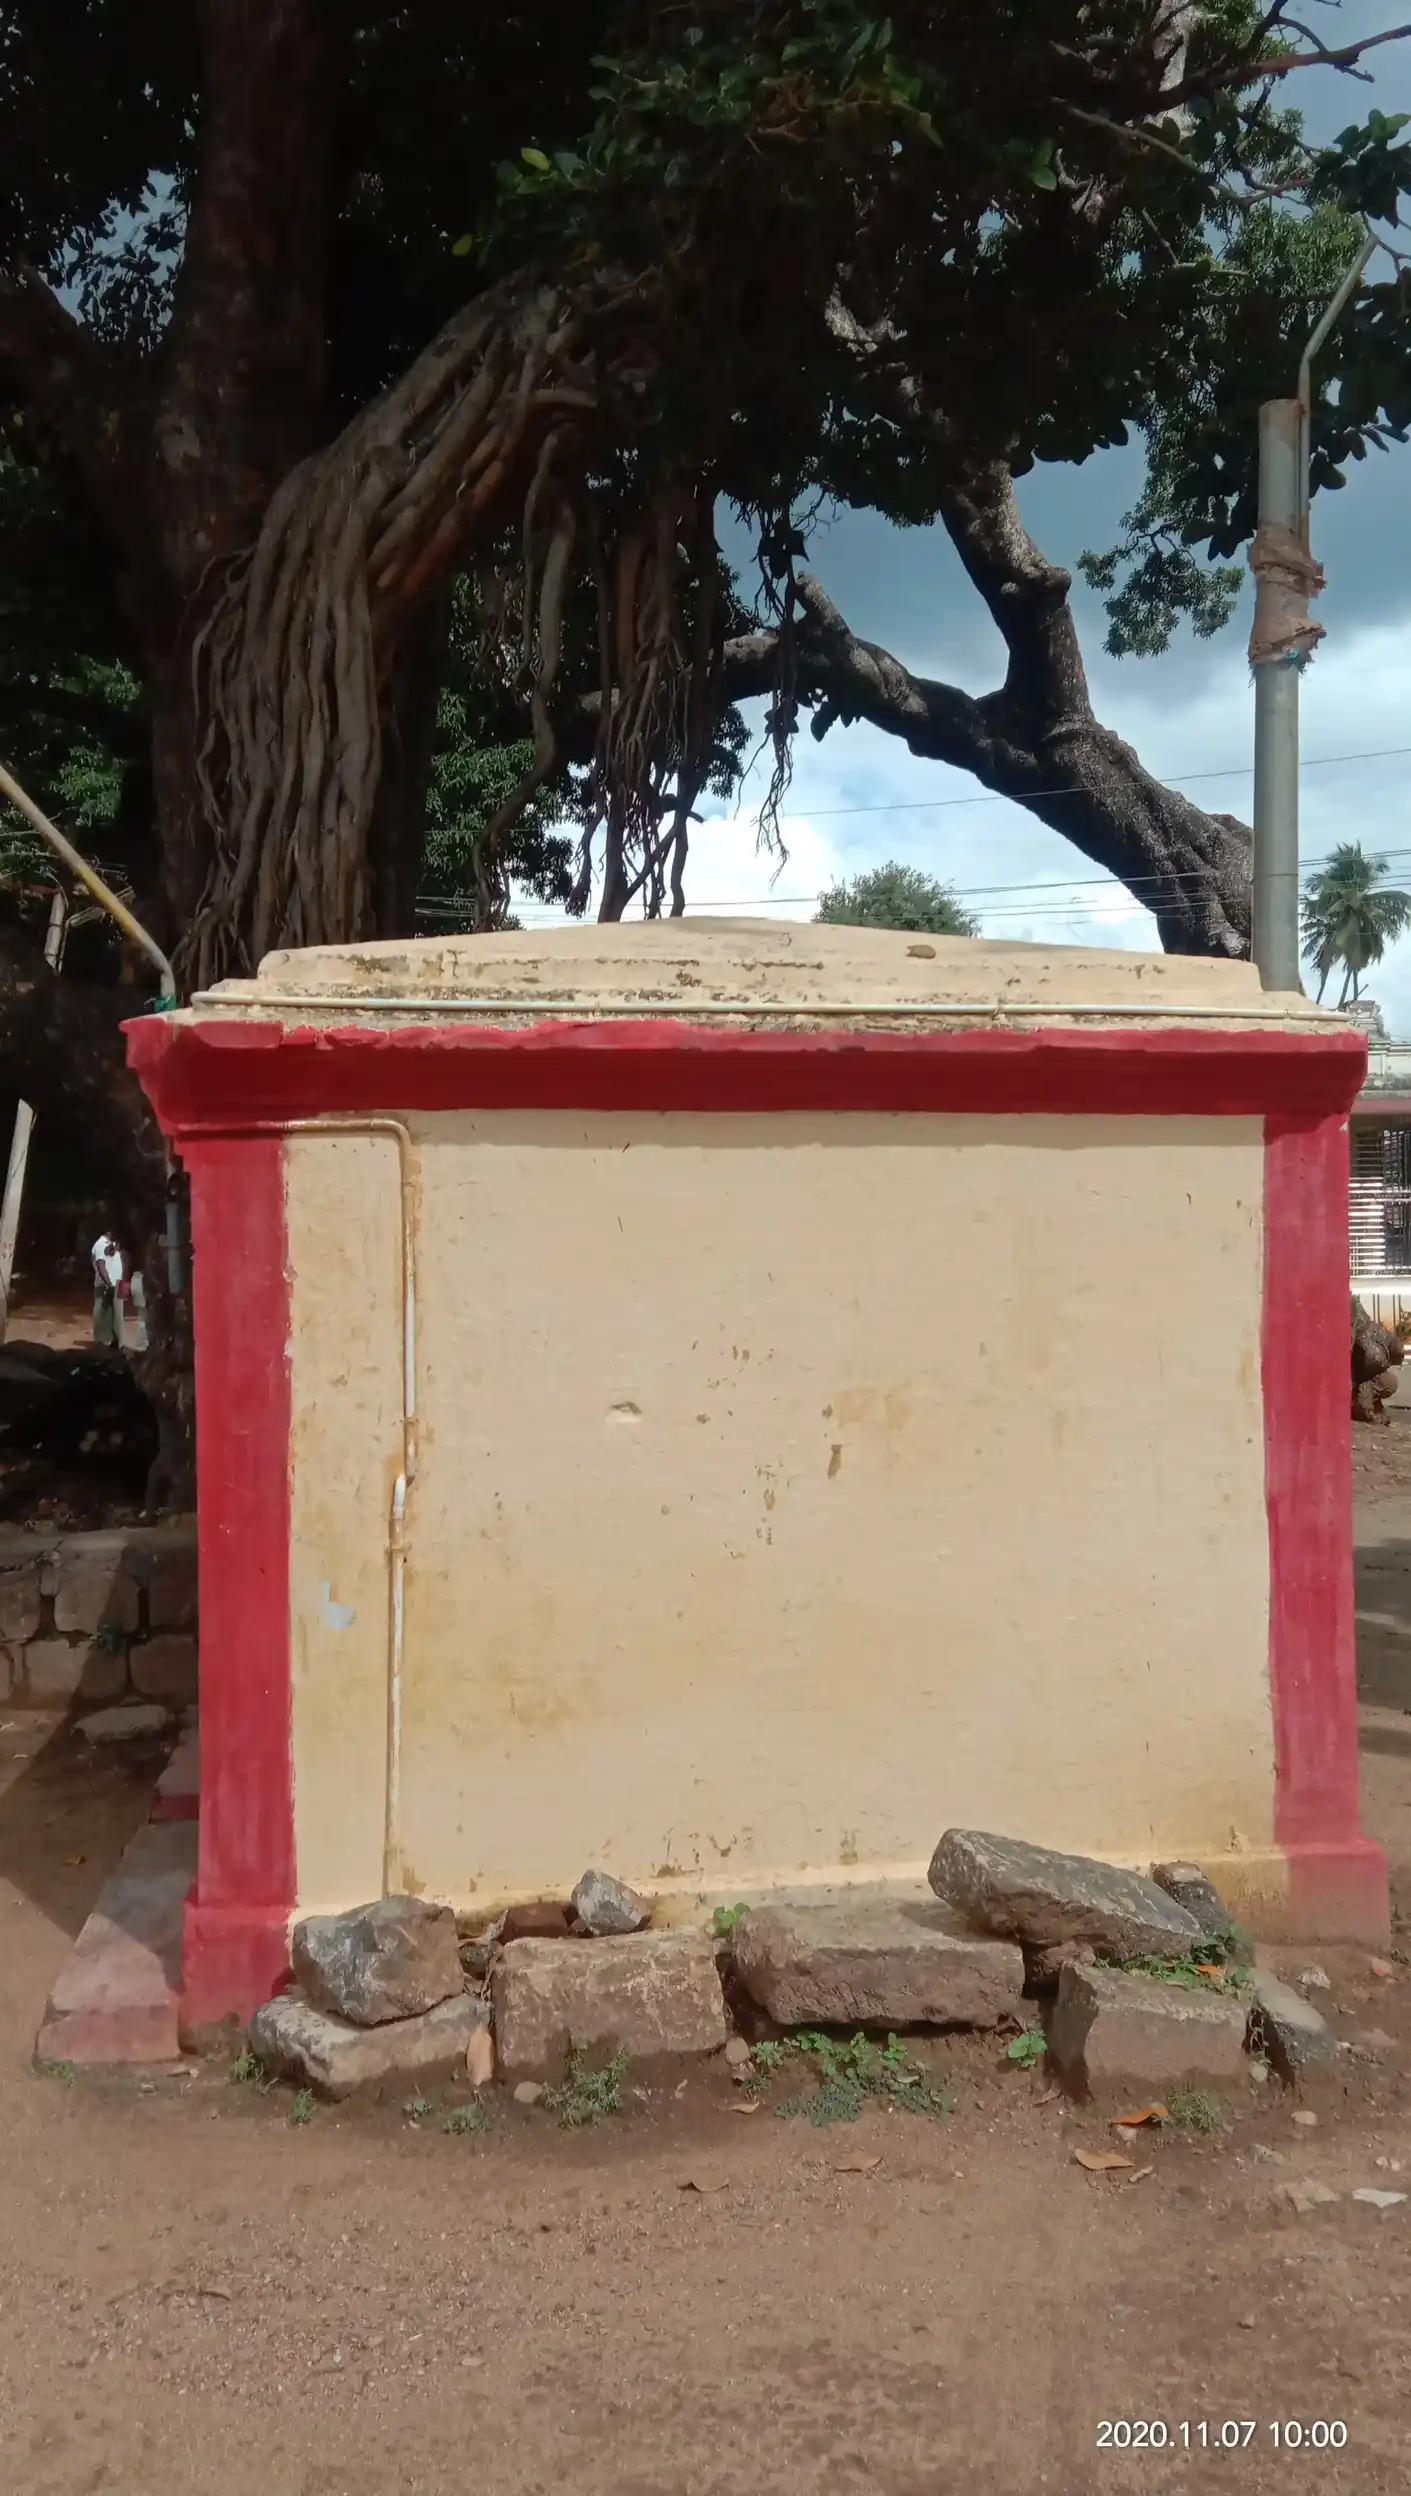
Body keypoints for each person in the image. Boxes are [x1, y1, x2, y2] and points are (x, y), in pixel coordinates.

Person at [91, 1231, 123, 1349]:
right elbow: (100, 1265)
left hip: (115, 1284)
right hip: (105, 1284)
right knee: (102, 1313)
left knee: (114, 1315)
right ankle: (101, 1342)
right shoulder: (100, 1244)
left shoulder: (112, 1244)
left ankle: (114, 1341)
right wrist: (108, 1283)